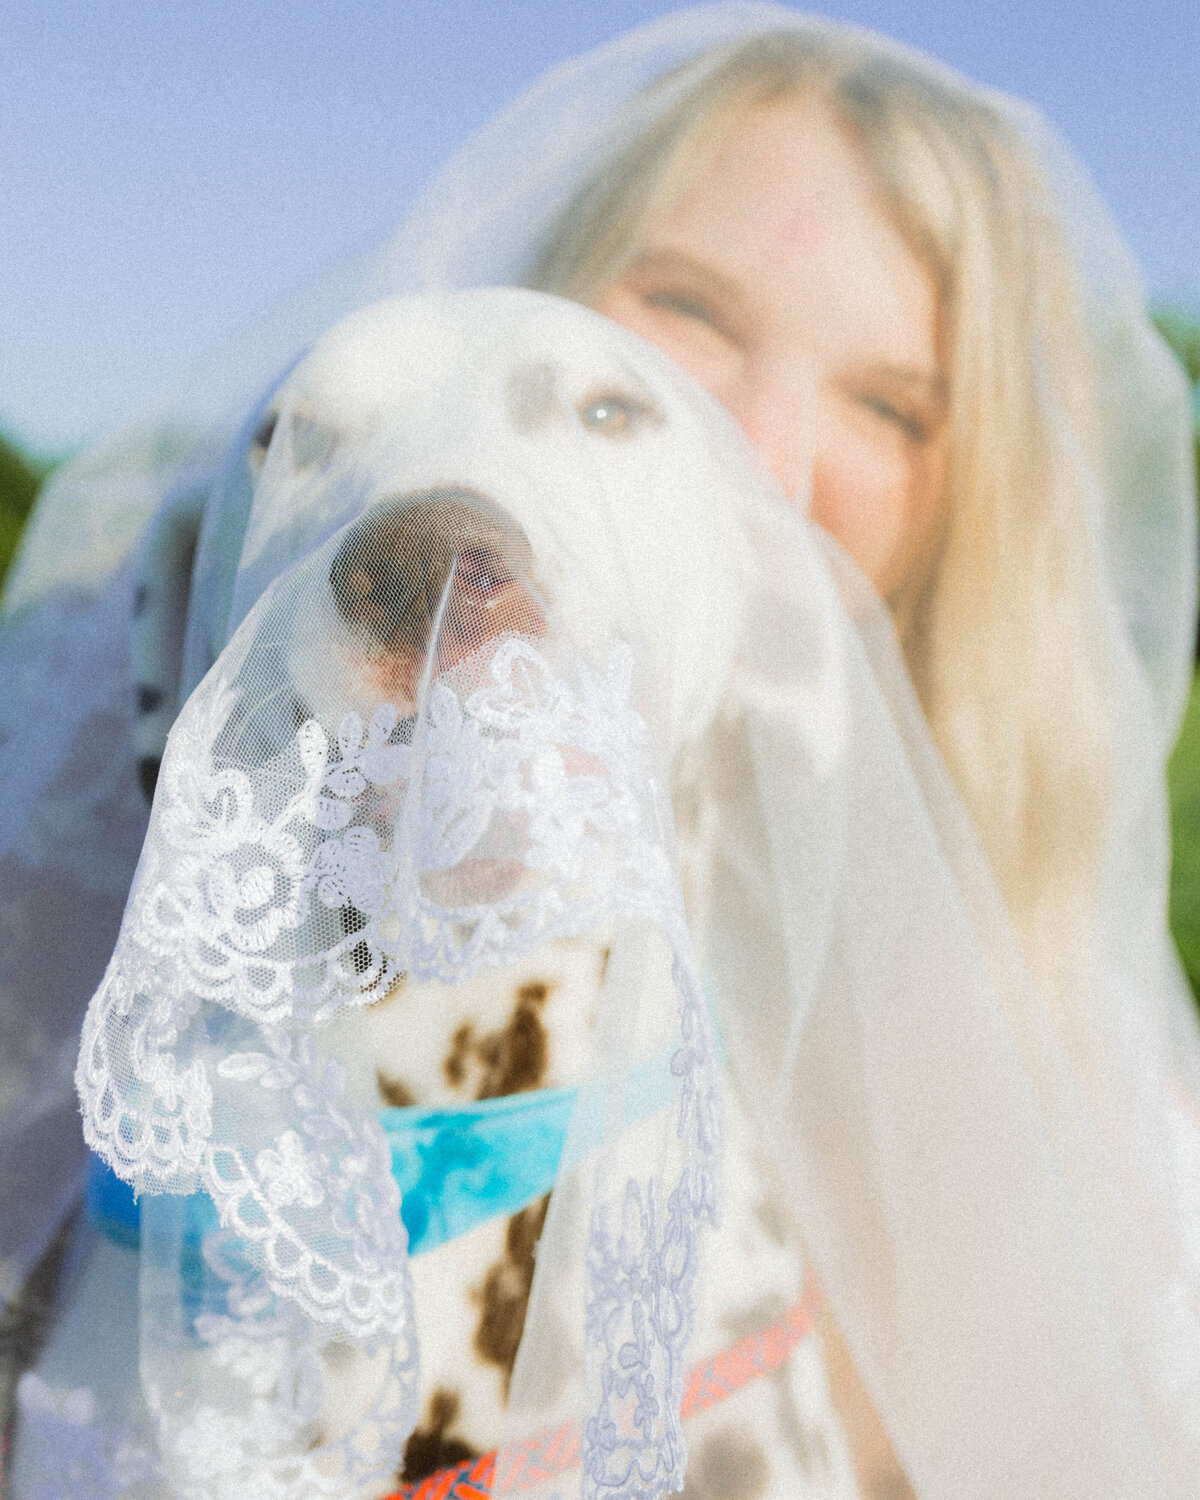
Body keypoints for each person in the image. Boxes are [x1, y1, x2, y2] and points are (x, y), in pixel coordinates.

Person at [2, 6, 1199, 1498]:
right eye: (684, 317)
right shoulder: (118, 870)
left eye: (890, 405)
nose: (759, 444)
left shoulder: (1068, 1074)